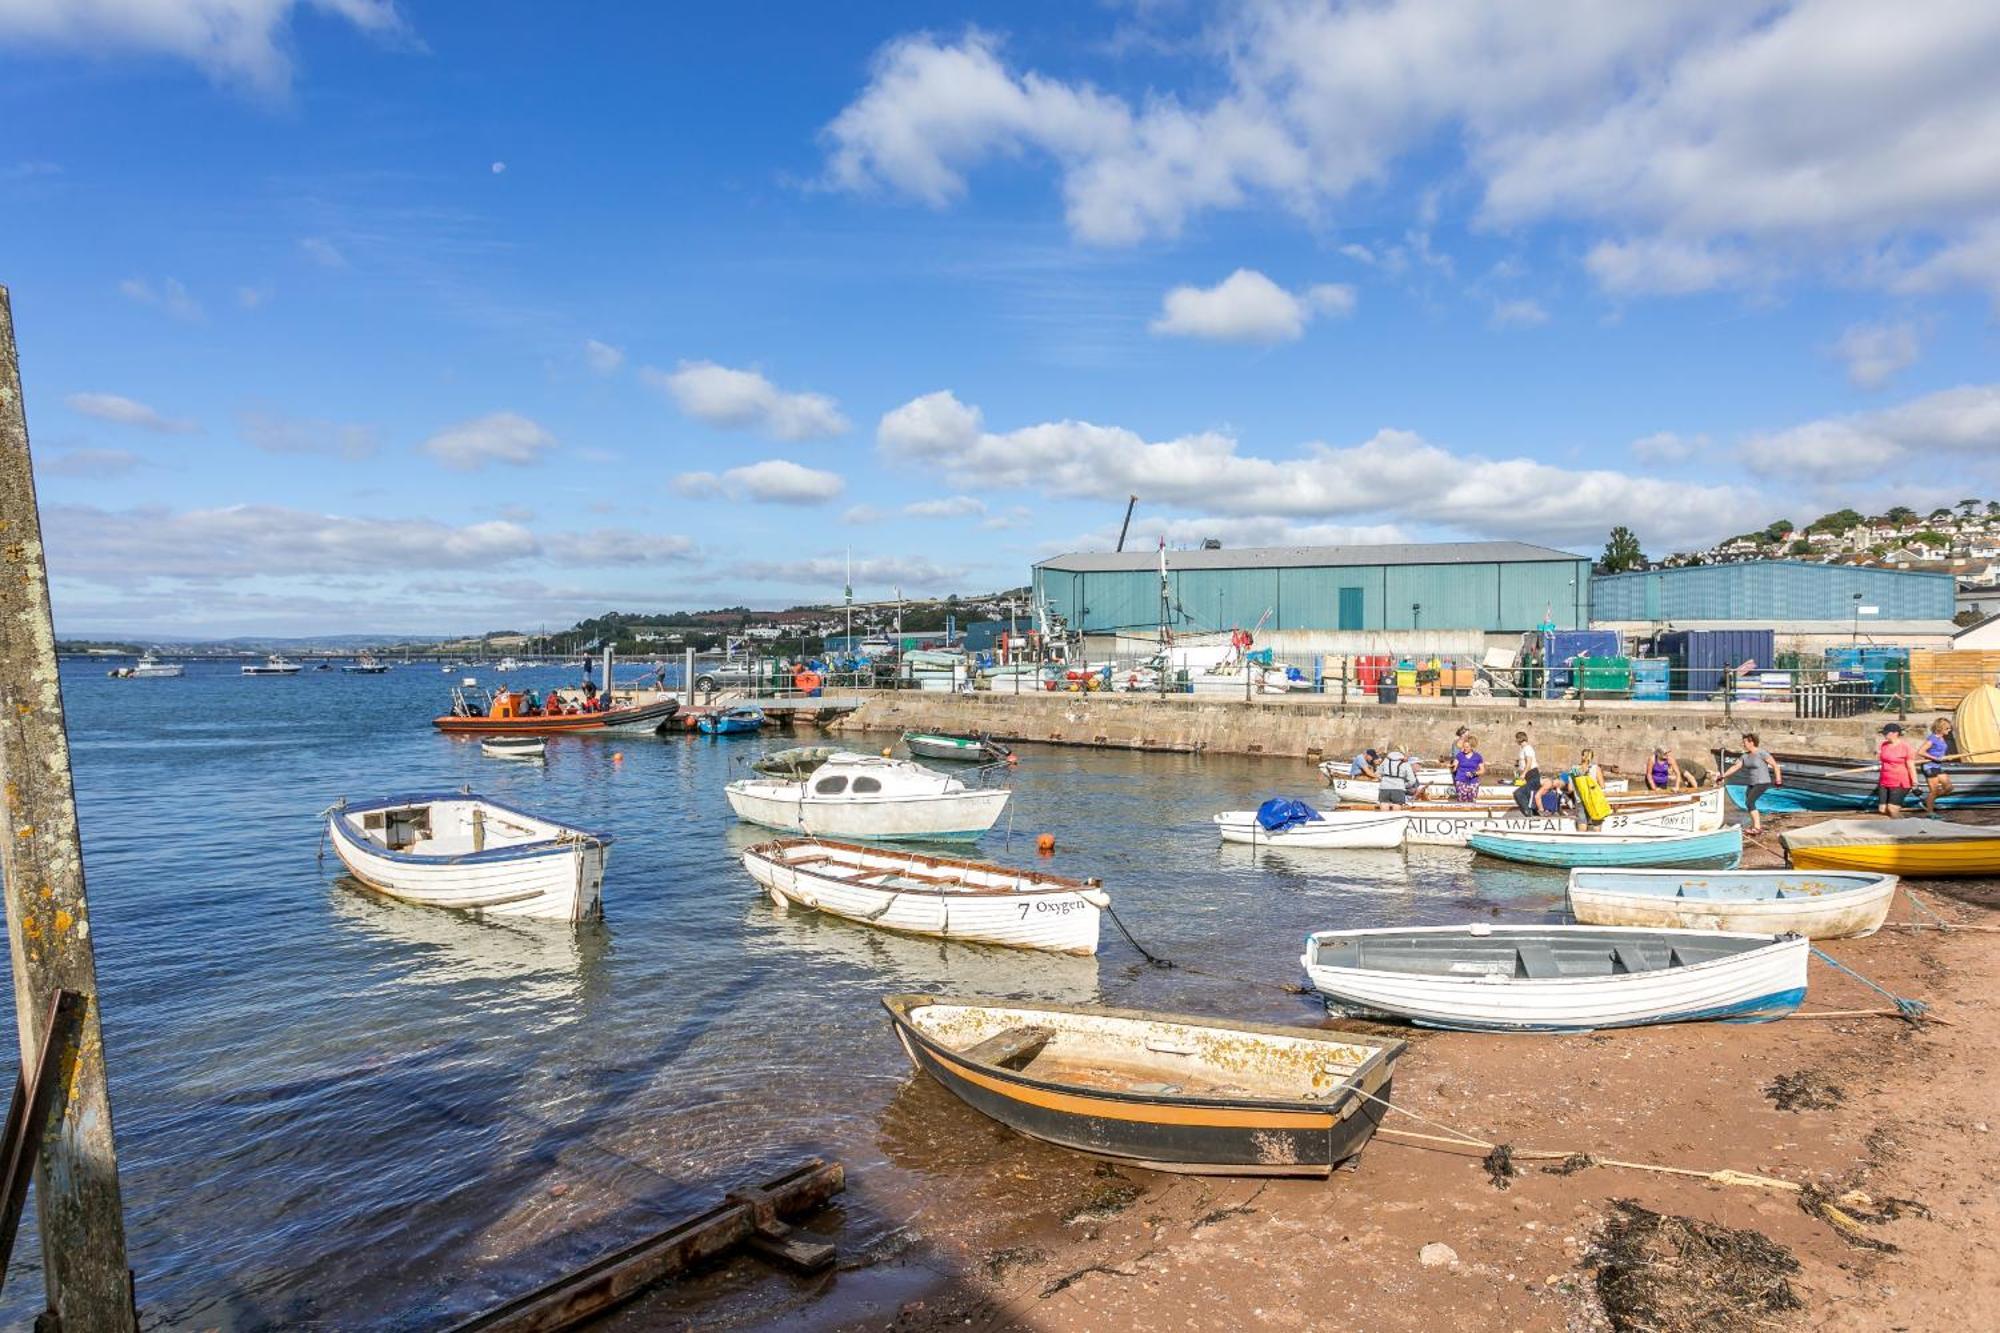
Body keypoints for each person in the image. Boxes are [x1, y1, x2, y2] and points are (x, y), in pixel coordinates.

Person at [1715, 733, 1783, 834]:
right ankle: (1755, 825)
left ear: (1752, 742)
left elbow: (1775, 766)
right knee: (1749, 803)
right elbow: (1735, 767)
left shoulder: (1762, 753)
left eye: (1745, 742)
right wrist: (1723, 775)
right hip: (1751, 783)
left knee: (1749, 802)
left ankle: (1757, 827)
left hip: (1763, 782)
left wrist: (1778, 780)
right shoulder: (1745, 756)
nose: (1743, 744)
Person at [1875, 722, 1916, 817]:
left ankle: (1903, 827)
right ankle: (1899, 821)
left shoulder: (1906, 747)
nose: (1884, 735)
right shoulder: (1884, 745)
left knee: (1892, 809)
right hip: (1884, 781)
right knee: (1882, 809)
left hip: (1900, 781)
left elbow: (1911, 766)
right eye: (1883, 733)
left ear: (1895, 733)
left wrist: (1915, 783)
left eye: (1886, 733)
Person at [1921, 717, 1955, 816]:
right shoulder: (1932, 739)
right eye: (1947, 729)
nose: (1949, 730)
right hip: (1929, 766)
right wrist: (1935, 758)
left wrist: (1946, 757)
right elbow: (1921, 752)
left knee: (1949, 787)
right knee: (1934, 791)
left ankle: (1928, 801)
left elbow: (1939, 753)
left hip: (1937, 766)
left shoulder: (1941, 738)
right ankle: (1930, 812)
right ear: (1940, 728)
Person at [1376, 745, 1417, 809]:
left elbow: (1378, 773)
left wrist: (1383, 780)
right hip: (1398, 788)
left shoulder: (1386, 760)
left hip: (1384, 787)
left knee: (1384, 804)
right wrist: (1404, 785)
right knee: (1397, 805)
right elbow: (1412, 780)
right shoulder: (1405, 763)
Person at [1451, 733, 1485, 803]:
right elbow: (1454, 766)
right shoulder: (1459, 755)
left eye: (1467, 747)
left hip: (1473, 782)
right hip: (1460, 781)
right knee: (1461, 801)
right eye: (1463, 747)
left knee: (1472, 801)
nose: (1464, 749)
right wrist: (1452, 767)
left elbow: (1482, 770)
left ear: (1471, 747)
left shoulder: (1477, 756)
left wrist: (1474, 773)